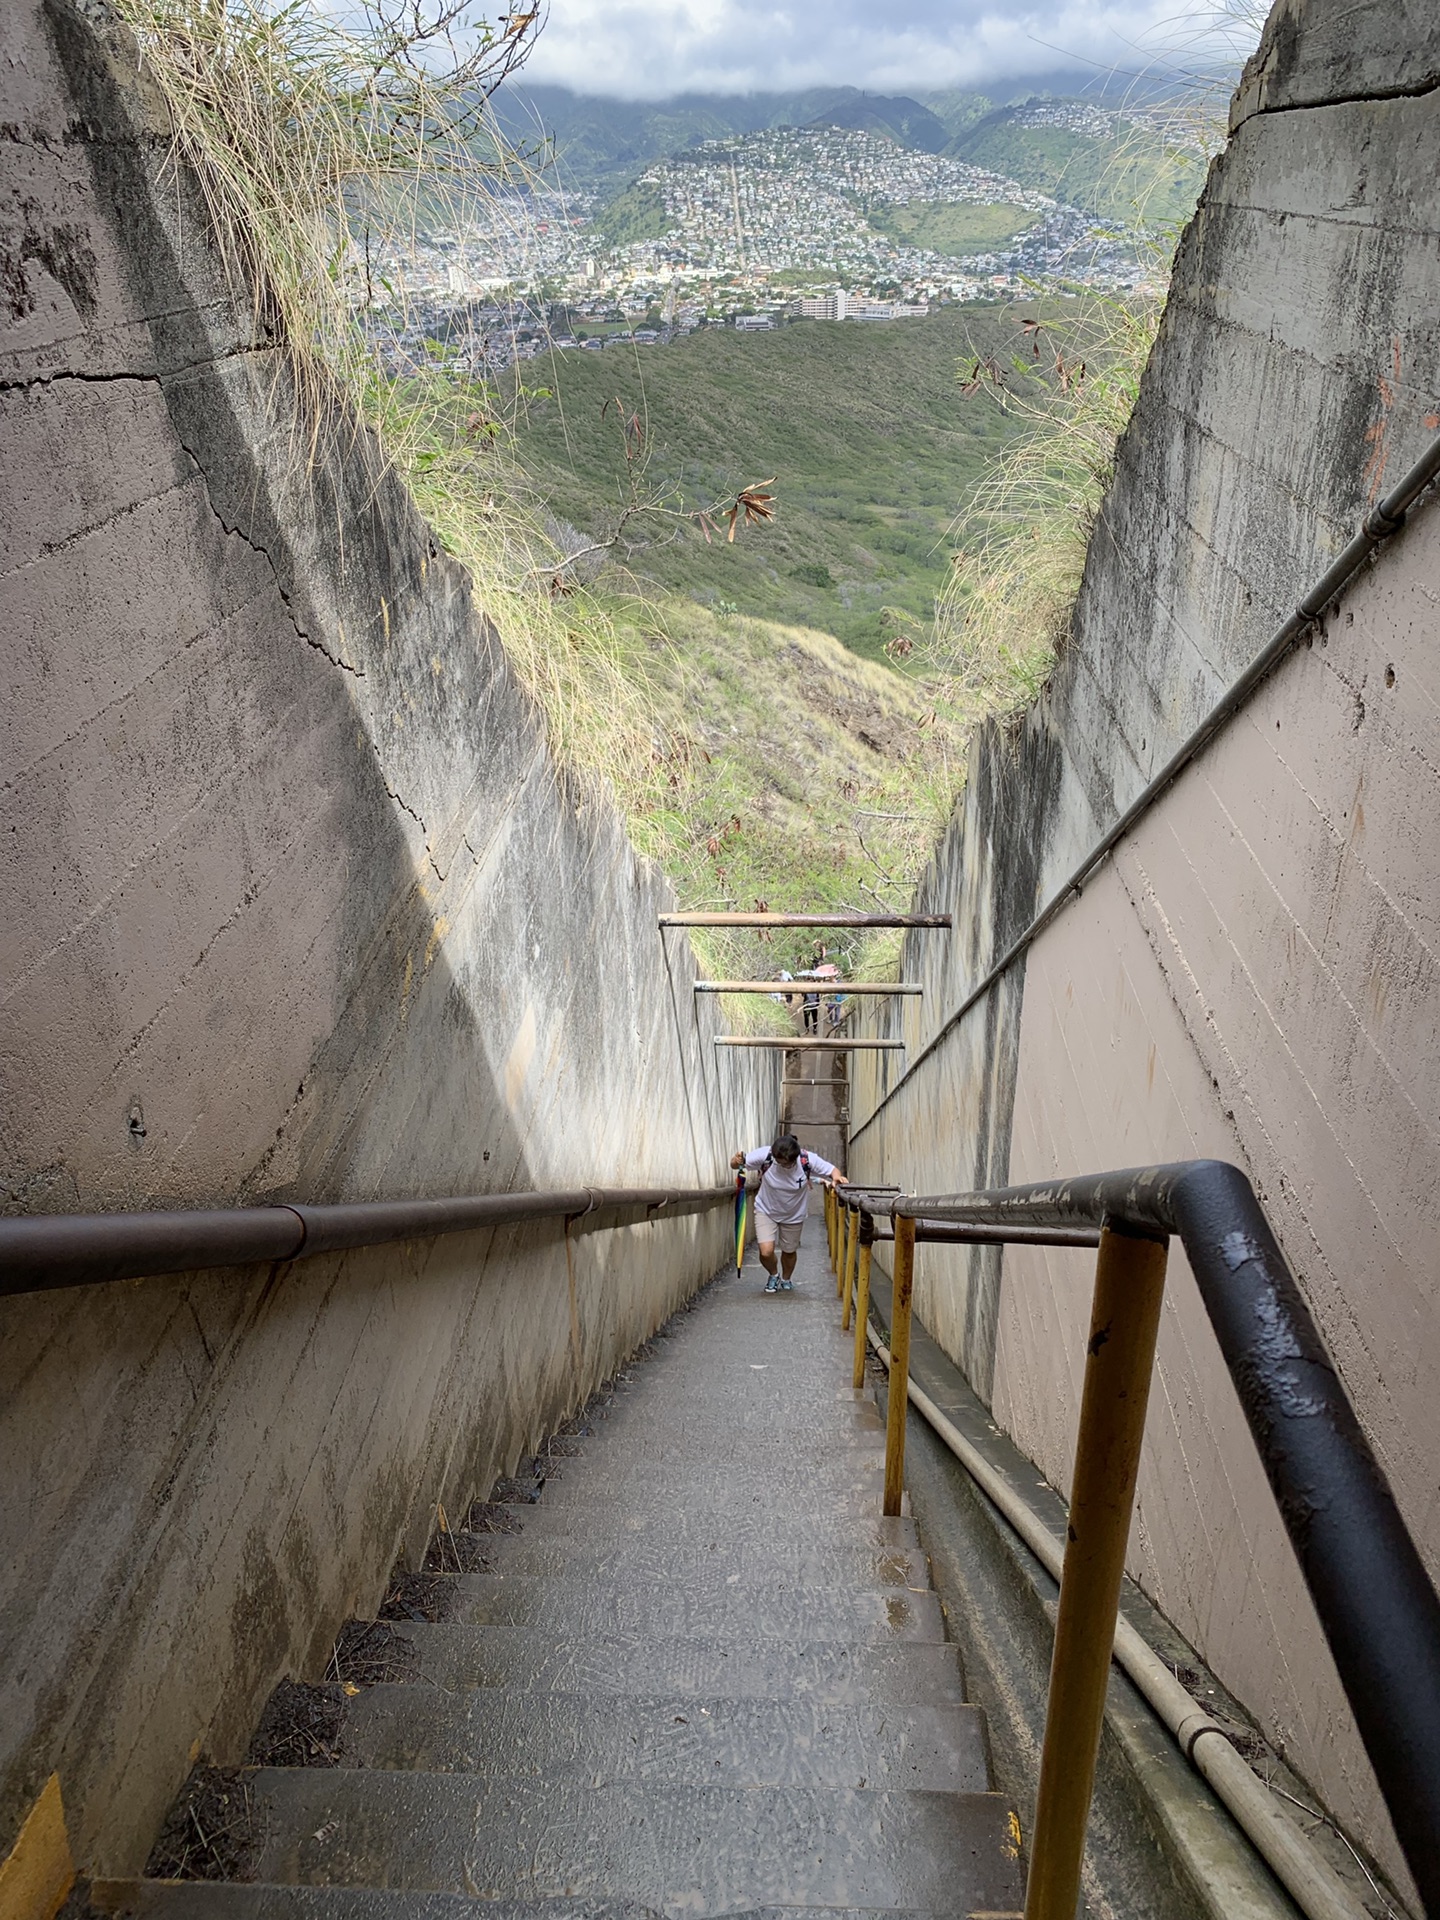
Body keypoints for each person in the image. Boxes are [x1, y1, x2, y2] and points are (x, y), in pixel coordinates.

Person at [729, 1132, 848, 1293]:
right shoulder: (766, 1155)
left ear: (795, 1158)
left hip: (794, 1213)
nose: (784, 1166)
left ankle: (786, 1278)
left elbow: (833, 1170)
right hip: (766, 1209)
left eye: (787, 1164)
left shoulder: (807, 1159)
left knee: (789, 1251)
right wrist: (736, 1161)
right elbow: (737, 1165)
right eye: (780, 1163)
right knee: (766, 1251)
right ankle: (773, 1274)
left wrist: (837, 1178)